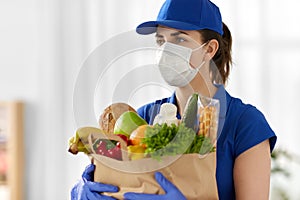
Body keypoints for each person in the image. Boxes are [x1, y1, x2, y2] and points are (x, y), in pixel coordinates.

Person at [71, 0, 277, 199]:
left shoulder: (246, 124)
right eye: (161, 40)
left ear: (209, 49)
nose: (165, 50)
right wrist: (83, 191)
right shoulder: (142, 118)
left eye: (179, 39)